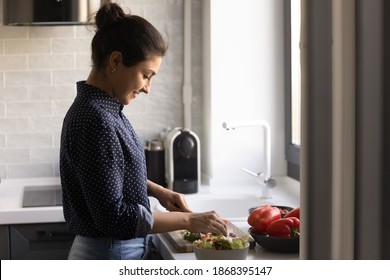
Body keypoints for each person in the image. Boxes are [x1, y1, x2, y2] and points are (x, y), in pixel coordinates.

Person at [59, 2, 227, 260]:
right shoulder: (97, 120)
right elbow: (114, 219)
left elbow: (111, 174)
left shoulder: (101, 110)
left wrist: (159, 192)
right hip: (110, 253)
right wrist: (189, 220)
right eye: (146, 75)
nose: (148, 87)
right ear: (116, 61)